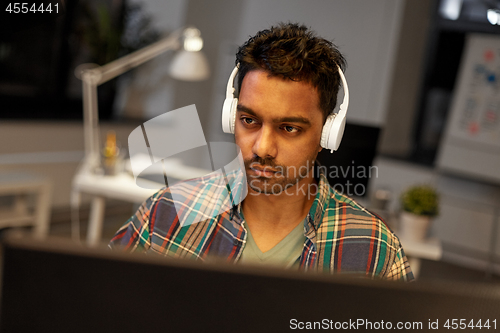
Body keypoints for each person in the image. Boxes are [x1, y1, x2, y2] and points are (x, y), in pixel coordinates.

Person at [110, 23, 414, 281]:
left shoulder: (375, 250)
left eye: (289, 128)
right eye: (249, 121)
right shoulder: (165, 213)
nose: (263, 148)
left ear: (328, 134)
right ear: (232, 119)